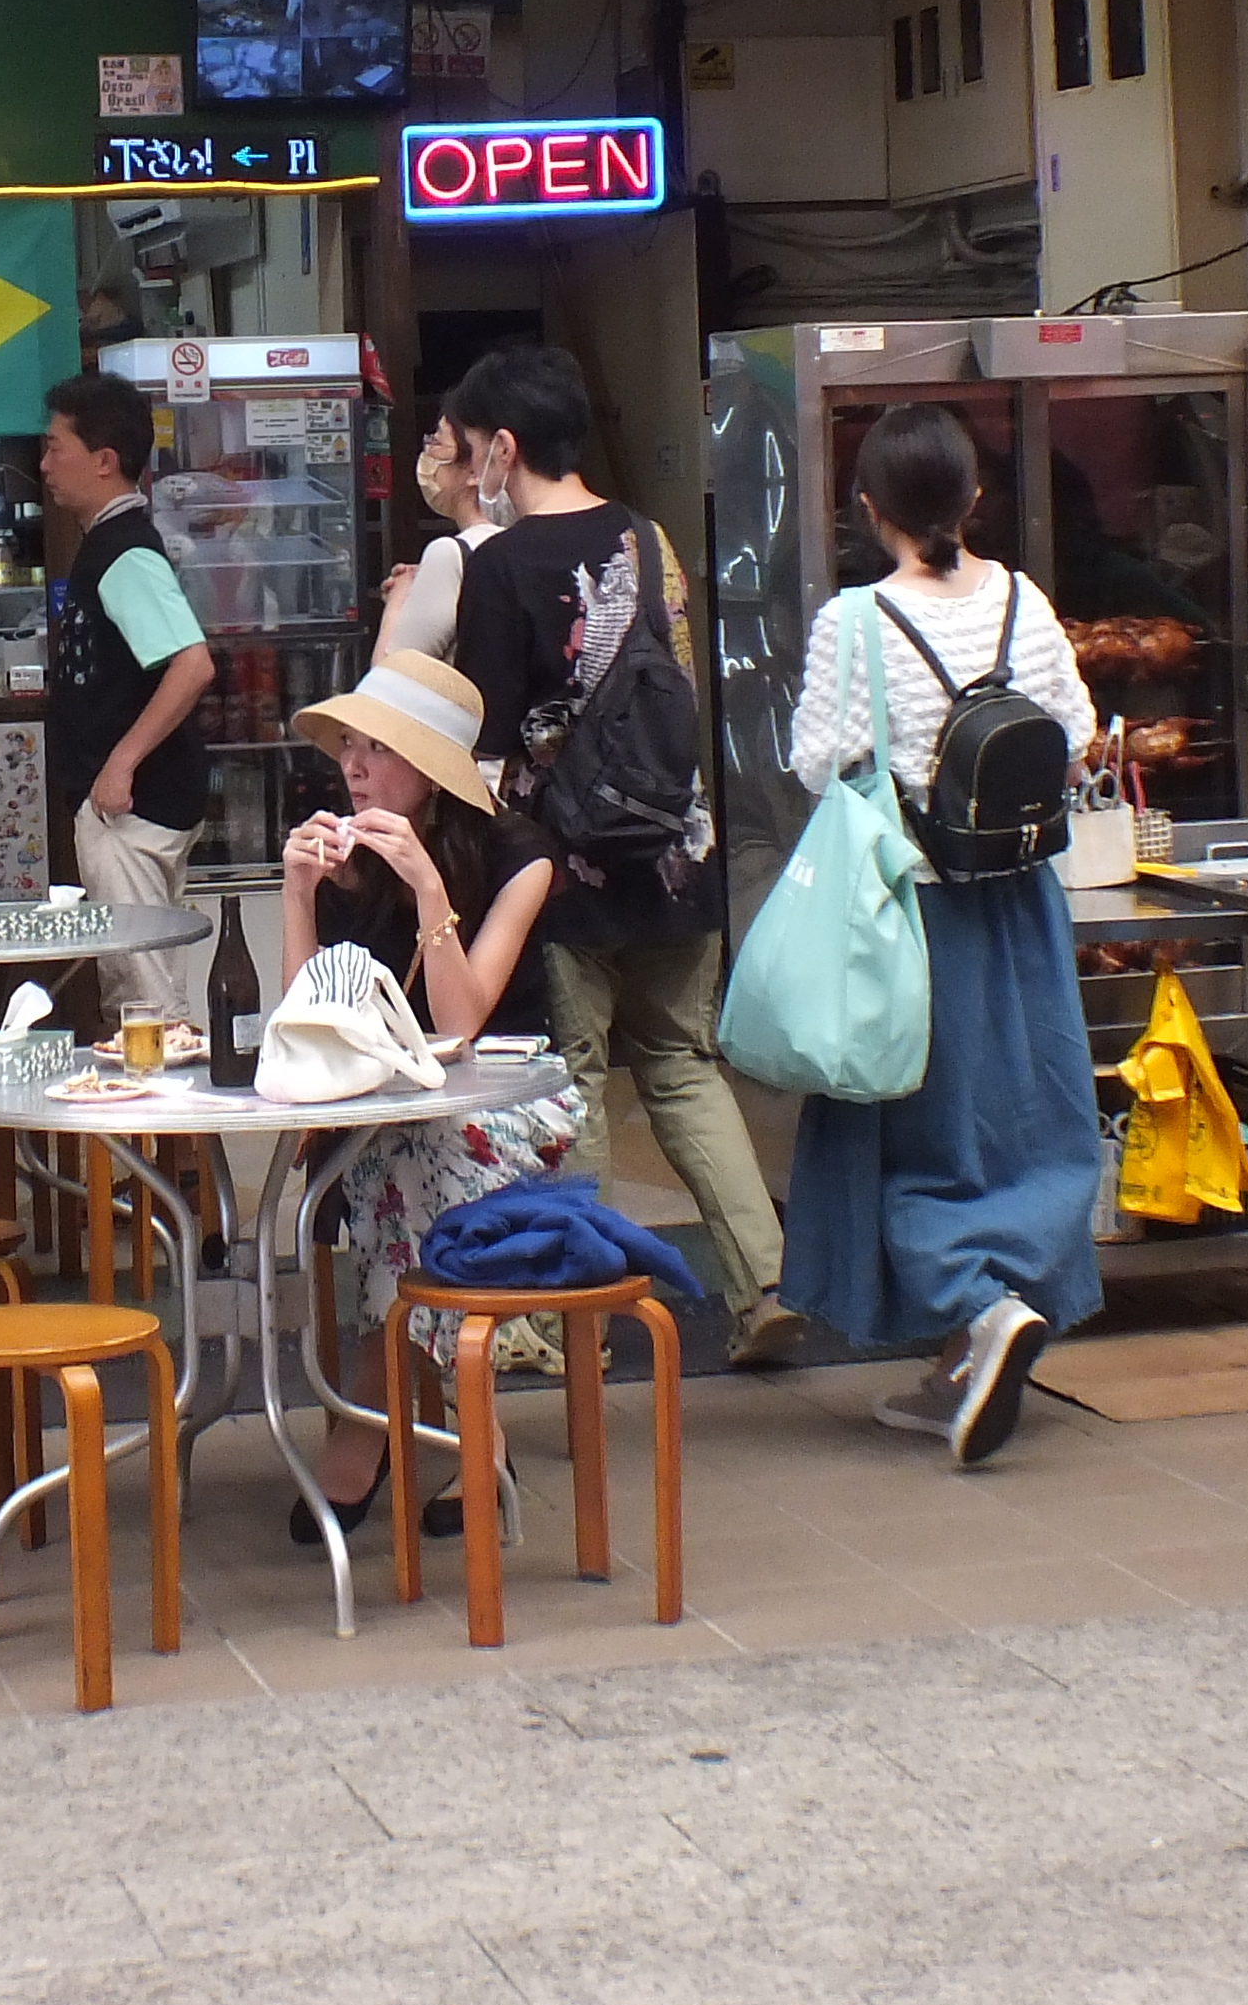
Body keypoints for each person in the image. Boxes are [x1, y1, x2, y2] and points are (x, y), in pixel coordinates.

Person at [441, 341, 799, 1366]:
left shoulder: (501, 565)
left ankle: (578, 1323)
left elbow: (488, 735)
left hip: (570, 867)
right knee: (685, 1069)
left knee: (577, 1083)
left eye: (474, 453)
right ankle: (762, 1284)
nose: (473, 474)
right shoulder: (649, 539)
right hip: (678, 851)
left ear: (506, 449)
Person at [777, 403, 1101, 1466]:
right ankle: (967, 1357)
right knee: (1024, 1120)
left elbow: (816, 760)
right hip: (1022, 905)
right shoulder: (1022, 598)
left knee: (904, 1132)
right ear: (972, 499)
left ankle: (979, 1308)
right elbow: (1079, 732)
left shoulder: (855, 622)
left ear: (871, 509)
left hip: (909, 914)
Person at [277, 650, 580, 1526]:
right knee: (396, 1156)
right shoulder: (346, 849)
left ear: (435, 771)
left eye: (379, 748)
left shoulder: (519, 855)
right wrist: (298, 895)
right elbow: (307, 1025)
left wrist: (426, 889)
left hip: (508, 1103)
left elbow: (462, 1024)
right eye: (348, 746)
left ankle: (368, 1428)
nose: (355, 767)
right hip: (388, 1113)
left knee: (411, 1162)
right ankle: (476, 1448)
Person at [36, 371, 216, 1032]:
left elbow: (192, 666)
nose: (45, 463)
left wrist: (120, 763)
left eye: (56, 447)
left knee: (144, 1000)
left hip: (132, 807)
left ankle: (172, 1134)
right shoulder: (110, 547)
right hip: (137, 802)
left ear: (104, 460)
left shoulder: (124, 553)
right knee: (146, 987)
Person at [379, 416, 486, 663]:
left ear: (473, 469)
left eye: (437, 442)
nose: (427, 455)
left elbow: (391, 675)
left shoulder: (450, 552)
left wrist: (399, 599)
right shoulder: (512, 541)